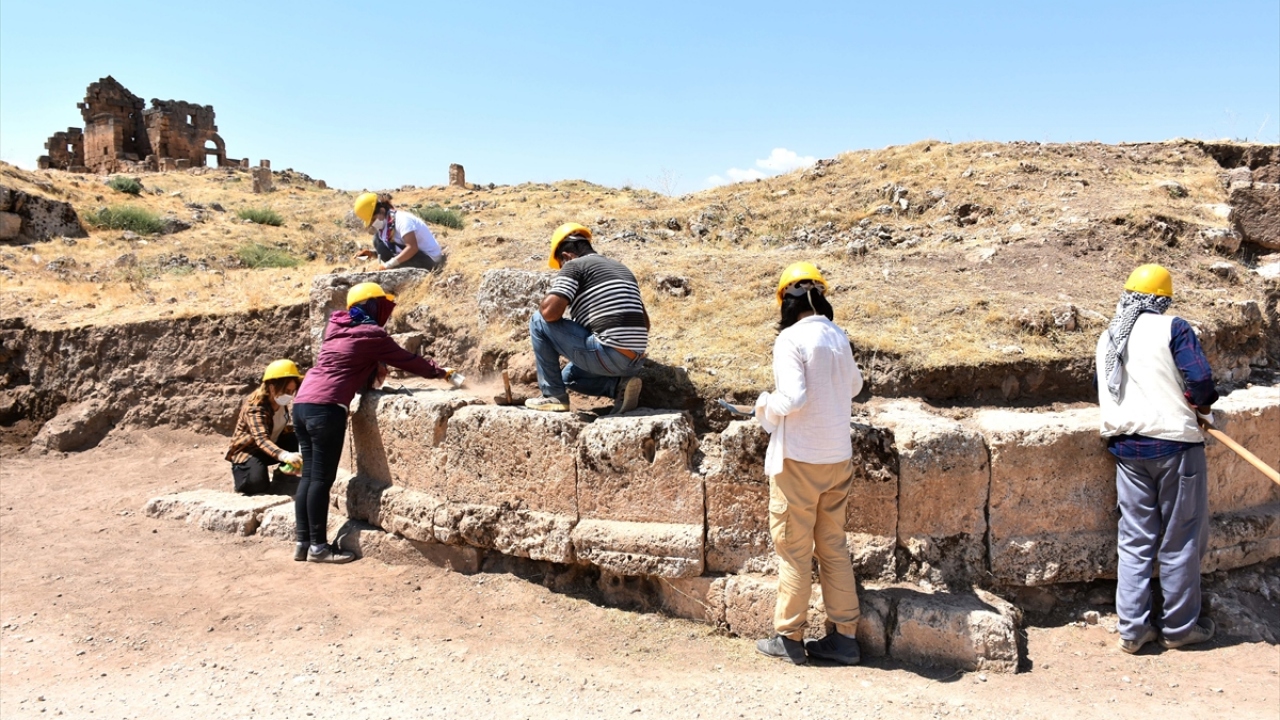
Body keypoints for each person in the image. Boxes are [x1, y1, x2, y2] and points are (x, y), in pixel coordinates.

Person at [1096, 264, 1218, 654]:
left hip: (1128, 450)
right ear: (1162, 301)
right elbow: (1199, 380)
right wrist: (1199, 404)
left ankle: (1133, 630)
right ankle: (1179, 628)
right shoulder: (1172, 328)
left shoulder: (1108, 336)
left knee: (1134, 538)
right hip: (1174, 448)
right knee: (1181, 538)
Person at [291, 281, 456, 564]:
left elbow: (350, 362)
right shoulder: (371, 333)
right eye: (381, 306)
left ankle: (303, 542)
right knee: (321, 479)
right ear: (372, 307)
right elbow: (406, 360)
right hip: (326, 408)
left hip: (302, 404)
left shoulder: (336, 329)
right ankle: (319, 548)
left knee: (308, 477)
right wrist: (440, 372)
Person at [753, 262, 864, 666]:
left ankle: (789, 638)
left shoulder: (789, 339)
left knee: (794, 552)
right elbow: (855, 386)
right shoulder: (838, 335)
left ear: (786, 300)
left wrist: (764, 405)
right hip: (838, 457)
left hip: (799, 460)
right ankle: (845, 638)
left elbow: (793, 397)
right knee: (833, 547)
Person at [525, 222, 648, 413]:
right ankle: (618, 387)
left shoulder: (574, 265)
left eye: (560, 265)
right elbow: (645, 324)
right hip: (635, 360)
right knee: (568, 377)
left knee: (537, 320)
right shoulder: (622, 269)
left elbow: (549, 314)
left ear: (565, 256)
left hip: (608, 354)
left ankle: (553, 396)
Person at [225, 359, 305, 496]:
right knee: (257, 483)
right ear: (272, 387)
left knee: (298, 438)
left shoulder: (279, 402)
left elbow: (280, 427)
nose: (289, 395)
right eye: (286, 390)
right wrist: (285, 455)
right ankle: (244, 477)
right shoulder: (256, 408)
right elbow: (261, 440)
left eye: (292, 391)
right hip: (250, 451)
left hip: (271, 445)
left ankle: (284, 475)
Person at [351, 192, 445, 271]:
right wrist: (371, 254)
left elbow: (412, 248)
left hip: (430, 260)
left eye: (373, 219)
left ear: (382, 210)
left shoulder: (402, 220)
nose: (372, 224)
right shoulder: (387, 226)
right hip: (416, 256)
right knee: (378, 242)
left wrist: (388, 265)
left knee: (381, 249)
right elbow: (393, 248)